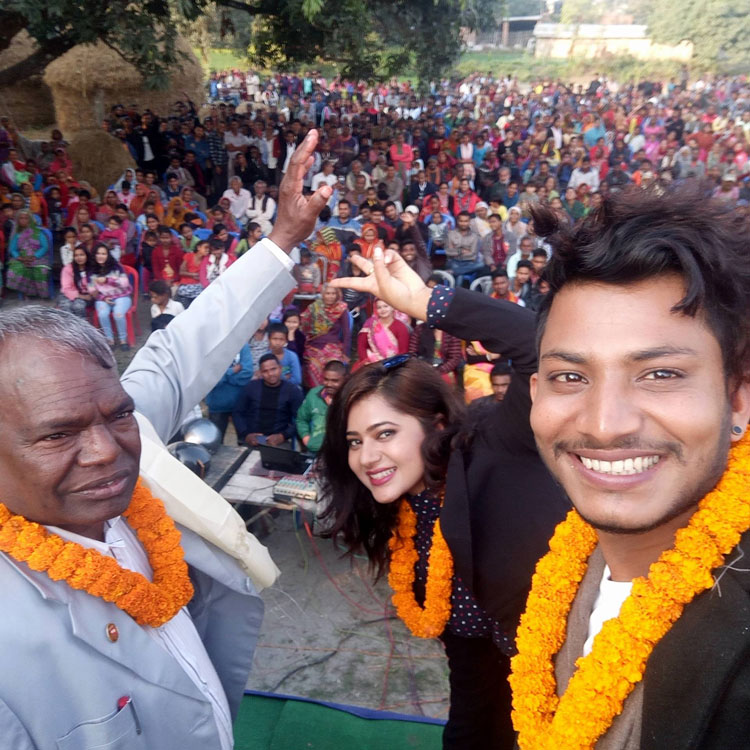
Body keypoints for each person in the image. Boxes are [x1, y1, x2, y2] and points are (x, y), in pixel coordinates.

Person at [318, 357, 514, 749]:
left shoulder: (491, 492)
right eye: (355, 441)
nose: (366, 457)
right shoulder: (404, 512)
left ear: (437, 427)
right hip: (471, 662)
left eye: (384, 433)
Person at [232, 353, 304, 448]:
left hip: (279, 441)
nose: (270, 374)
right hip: (252, 439)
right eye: (265, 371)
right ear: (260, 373)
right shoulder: (251, 387)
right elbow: (237, 413)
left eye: (273, 369)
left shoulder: (292, 391)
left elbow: (301, 419)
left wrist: (283, 436)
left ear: (280, 368)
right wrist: (246, 434)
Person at [300, 284, 351, 387]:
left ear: (337, 295)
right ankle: (318, 392)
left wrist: (345, 353)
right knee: (312, 367)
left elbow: (346, 333)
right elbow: (304, 326)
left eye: (333, 293)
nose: (330, 296)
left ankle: (333, 391)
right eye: (328, 293)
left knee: (334, 366)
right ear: (323, 294)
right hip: (313, 346)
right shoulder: (314, 308)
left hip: (332, 346)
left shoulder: (341, 308)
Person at [205, 341, 254, 440]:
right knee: (215, 443)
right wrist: (232, 371)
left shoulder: (242, 345)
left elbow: (247, 373)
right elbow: (210, 379)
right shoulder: (211, 346)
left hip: (239, 404)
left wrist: (224, 376)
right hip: (217, 405)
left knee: (245, 443)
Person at [296, 359, 347, 453]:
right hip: (315, 451)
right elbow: (301, 419)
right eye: (326, 379)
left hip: (341, 454)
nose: (329, 384)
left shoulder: (350, 399)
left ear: (345, 379)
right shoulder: (313, 394)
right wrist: (306, 438)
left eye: (335, 381)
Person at [90, 243, 134, 350]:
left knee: (118, 314)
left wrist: (107, 280)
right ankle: (110, 340)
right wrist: (103, 298)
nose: (100, 256)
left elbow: (125, 283)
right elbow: (91, 290)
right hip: (103, 298)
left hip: (121, 296)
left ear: (108, 255)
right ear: (94, 255)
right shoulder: (91, 271)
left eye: (103, 254)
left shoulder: (116, 267)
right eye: (98, 253)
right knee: (102, 314)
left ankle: (123, 340)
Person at [6, 209, 50, 298]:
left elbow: (45, 247)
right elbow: (12, 249)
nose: (23, 220)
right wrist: (20, 258)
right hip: (21, 258)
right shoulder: (17, 234)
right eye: (21, 218)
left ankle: (40, 294)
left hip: (38, 257)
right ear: (18, 220)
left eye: (26, 218)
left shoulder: (38, 232)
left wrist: (34, 256)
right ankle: (26, 292)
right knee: (16, 269)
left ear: (30, 220)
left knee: (40, 270)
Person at [357, 299, 410, 366]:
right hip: (371, 363)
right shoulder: (371, 323)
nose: (383, 310)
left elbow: (403, 351)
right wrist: (365, 361)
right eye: (379, 307)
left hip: (395, 364)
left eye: (385, 306)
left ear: (392, 307)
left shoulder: (400, 327)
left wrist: (389, 365)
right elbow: (361, 345)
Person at [57, 244, 94, 318]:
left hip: (86, 295)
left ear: (87, 256)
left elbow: (92, 289)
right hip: (66, 294)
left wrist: (86, 295)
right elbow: (66, 288)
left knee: (78, 306)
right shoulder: (68, 268)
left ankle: (81, 324)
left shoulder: (92, 269)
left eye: (82, 255)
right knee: (66, 306)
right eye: (76, 255)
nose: (79, 258)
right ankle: (69, 325)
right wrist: (81, 296)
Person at [267, 322, 302, 386]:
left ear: (286, 340)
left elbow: (297, 380)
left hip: (290, 388)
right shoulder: (266, 357)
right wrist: (285, 378)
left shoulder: (292, 356)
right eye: (275, 339)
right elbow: (265, 378)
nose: (278, 343)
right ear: (269, 339)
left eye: (281, 339)